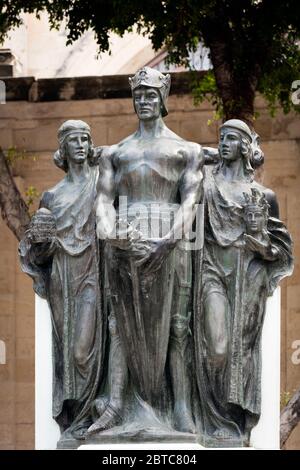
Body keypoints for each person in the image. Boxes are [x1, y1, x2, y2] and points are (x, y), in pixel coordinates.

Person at [88, 67, 204, 437]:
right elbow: (103, 202)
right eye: (139, 96)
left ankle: (182, 410)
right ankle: (117, 405)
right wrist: (111, 233)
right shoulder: (115, 153)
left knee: (178, 326)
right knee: (118, 323)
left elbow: (190, 200)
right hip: (126, 240)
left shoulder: (186, 150)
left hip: (173, 239)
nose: (144, 101)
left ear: (163, 98)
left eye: (151, 95)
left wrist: (168, 240)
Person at [194, 119, 293, 446]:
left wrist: (260, 246)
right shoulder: (203, 186)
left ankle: (234, 421)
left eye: (233, 139)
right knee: (217, 348)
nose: (224, 143)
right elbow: (191, 236)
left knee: (241, 350)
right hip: (212, 273)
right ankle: (212, 417)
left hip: (247, 279)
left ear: (246, 147)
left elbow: (280, 247)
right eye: (221, 138)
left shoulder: (262, 195)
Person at [19, 120, 105, 444]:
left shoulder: (101, 184)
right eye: (74, 140)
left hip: (92, 275)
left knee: (85, 350)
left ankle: (91, 417)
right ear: (63, 148)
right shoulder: (51, 197)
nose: (81, 145)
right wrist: (41, 244)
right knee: (68, 352)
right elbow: (38, 247)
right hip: (62, 277)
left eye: (86, 139)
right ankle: (75, 422)